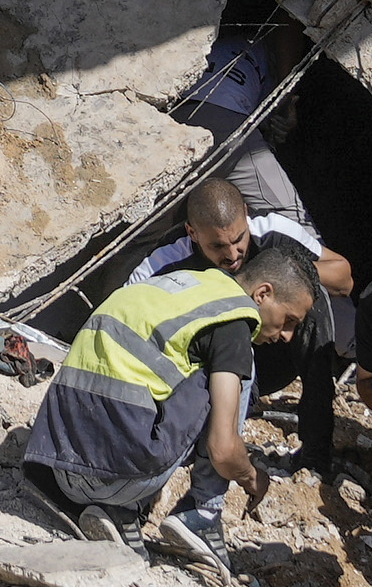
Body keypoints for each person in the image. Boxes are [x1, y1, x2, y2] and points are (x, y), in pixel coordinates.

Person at [15, 241, 316, 561]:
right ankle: (203, 514)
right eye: (289, 320)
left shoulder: (184, 282)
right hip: (104, 479)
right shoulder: (232, 322)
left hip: (53, 455)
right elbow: (223, 450)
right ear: (263, 294)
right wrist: (253, 478)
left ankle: (114, 508)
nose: (287, 336)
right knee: (240, 372)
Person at [136, 170, 358, 476]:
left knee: (311, 292)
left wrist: (282, 276)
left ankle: (316, 453)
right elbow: (131, 318)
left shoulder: (271, 232)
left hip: (272, 358)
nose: (232, 254)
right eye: (217, 246)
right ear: (192, 233)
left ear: (246, 214)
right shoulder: (165, 261)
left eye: (238, 239)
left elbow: (344, 279)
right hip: (206, 365)